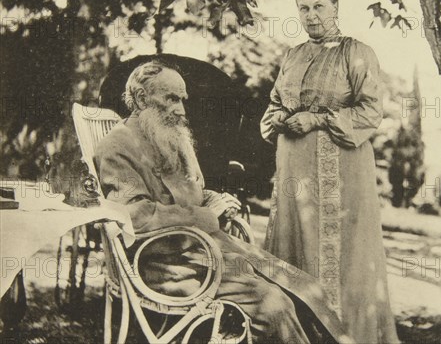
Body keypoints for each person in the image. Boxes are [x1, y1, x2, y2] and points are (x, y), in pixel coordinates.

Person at [94, 60, 354, 344]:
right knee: (274, 305)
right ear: (142, 98)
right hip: (164, 263)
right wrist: (207, 216)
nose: (181, 110)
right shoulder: (117, 146)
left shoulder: (162, 137)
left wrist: (213, 199)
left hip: (202, 249)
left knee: (304, 286)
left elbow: (187, 193)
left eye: (182, 100)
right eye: (171, 99)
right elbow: (136, 216)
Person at [260, 0, 400, 344]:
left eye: (318, 6)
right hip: (294, 171)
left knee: (342, 257)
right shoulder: (293, 55)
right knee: (294, 251)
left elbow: (371, 113)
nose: (311, 16)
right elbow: (275, 102)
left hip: (342, 171)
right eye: (303, 8)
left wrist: (318, 119)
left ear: (335, 6)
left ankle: (344, 335)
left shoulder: (357, 53)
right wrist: (277, 118)